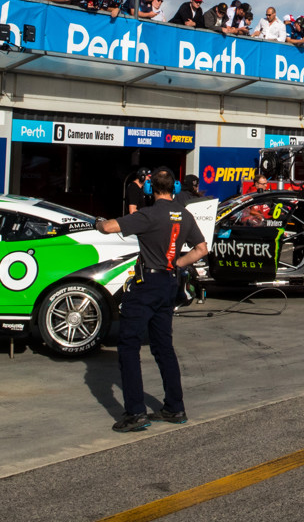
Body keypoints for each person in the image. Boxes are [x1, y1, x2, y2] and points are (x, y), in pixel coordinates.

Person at [98, 167, 208, 432]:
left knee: (129, 346)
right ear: (175, 188)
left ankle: (135, 412)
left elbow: (109, 227)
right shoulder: (185, 215)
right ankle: (175, 407)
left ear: (150, 189)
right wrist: (178, 263)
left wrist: (97, 222)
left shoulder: (148, 214)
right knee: (163, 346)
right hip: (169, 283)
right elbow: (202, 249)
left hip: (147, 284)